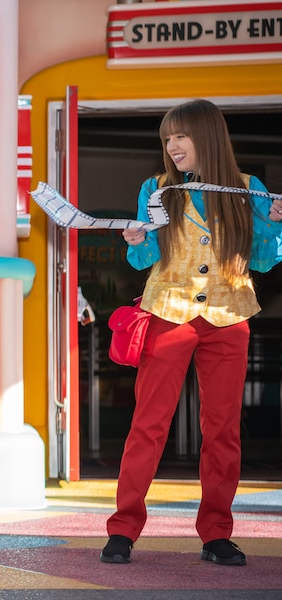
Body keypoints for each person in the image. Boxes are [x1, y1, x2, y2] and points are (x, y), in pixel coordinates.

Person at [101, 99, 282, 566]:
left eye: (180, 135)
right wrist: (138, 242)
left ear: (208, 136)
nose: (173, 145)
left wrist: (277, 227)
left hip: (229, 316)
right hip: (168, 311)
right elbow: (144, 261)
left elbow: (261, 260)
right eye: (167, 138)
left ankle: (216, 534)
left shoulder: (249, 189)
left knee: (222, 431)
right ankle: (123, 530)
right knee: (149, 424)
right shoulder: (156, 188)